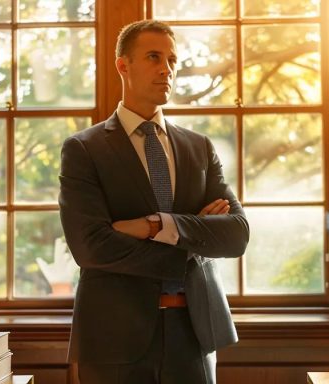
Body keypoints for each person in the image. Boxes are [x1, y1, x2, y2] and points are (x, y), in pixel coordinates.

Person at [58, 19, 250, 384]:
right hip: (114, 336)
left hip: (194, 331)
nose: (167, 69)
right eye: (153, 57)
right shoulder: (84, 149)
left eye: (172, 60)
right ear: (123, 65)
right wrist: (193, 244)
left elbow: (237, 235)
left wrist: (157, 226)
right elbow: (91, 247)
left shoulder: (199, 147)